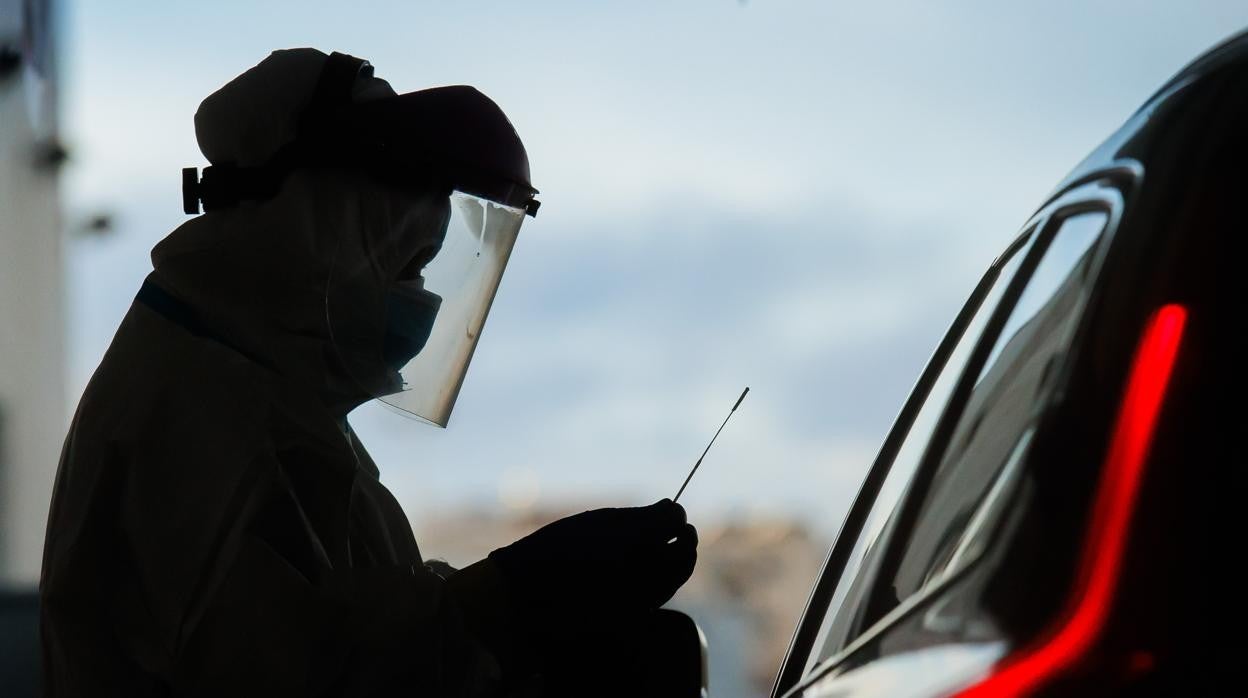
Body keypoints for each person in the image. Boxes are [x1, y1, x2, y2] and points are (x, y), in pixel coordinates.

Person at [39, 49, 699, 697]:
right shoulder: (196, 416)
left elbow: (340, 609)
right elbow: (296, 673)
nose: (420, 305)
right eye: (404, 266)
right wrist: (511, 599)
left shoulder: (259, 388)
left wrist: (526, 616)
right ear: (311, 233)